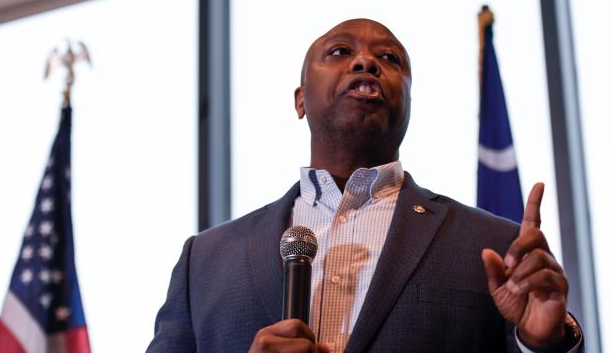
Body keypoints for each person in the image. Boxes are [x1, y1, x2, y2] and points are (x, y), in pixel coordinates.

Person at [147, 19, 583, 352]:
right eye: (340, 51)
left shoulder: (491, 246)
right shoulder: (203, 262)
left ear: (408, 102)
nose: (366, 62)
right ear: (300, 100)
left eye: (391, 60)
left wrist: (541, 344)